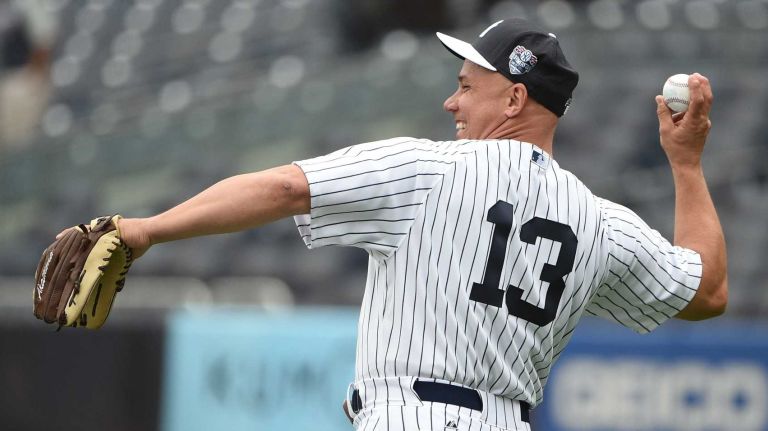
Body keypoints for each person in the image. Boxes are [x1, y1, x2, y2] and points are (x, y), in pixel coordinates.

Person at [102, 18, 727, 431]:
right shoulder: (599, 223)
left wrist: (147, 230)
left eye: (465, 86)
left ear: (513, 100)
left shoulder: (427, 168)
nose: (451, 102)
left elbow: (285, 187)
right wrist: (687, 162)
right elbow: (706, 292)